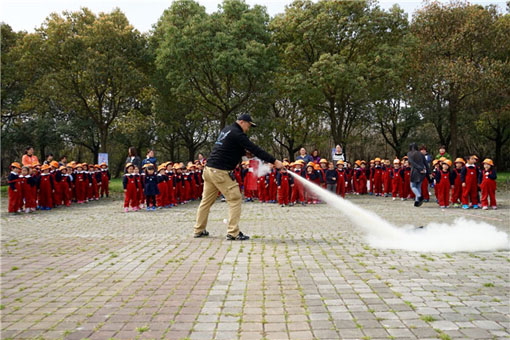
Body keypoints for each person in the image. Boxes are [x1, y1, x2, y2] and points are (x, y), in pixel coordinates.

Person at [193, 114, 283, 240]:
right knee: (235, 199)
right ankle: (233, 232)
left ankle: (198, 229)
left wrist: (244, 153)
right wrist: (274, 161)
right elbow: (254, 148)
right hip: (220, 171)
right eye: (248, 125)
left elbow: (229, 147)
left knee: (206, 201)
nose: (248, 128)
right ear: (242, 122)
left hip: (208, 170)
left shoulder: (227, 130)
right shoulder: (238, 133)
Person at [407, 143, 430, 207]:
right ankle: (417, 201)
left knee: (413, 186)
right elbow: (426, 164)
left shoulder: (409, 153)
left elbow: (412, 163)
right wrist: (428, 172)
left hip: (415, 171)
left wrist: (419, 168)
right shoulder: (421, 154)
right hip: (422, 172)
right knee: (418, 186)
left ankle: (419, 197)